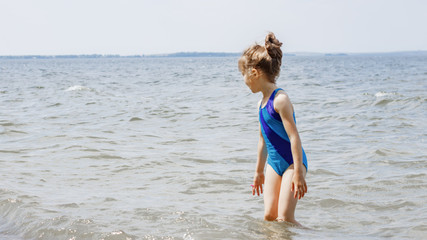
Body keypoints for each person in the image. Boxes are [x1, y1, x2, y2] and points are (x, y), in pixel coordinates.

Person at [238, 32, 308, 226]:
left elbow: (294, 137)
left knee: (285, 218)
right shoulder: (261, 104)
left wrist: (298, 173)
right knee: (269, 216)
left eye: (243, 74)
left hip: (293, 163)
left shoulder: (280, 100)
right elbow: (263, 140)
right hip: (273, 164)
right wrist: (258, 171)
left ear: (254, 73)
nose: (243, 80)